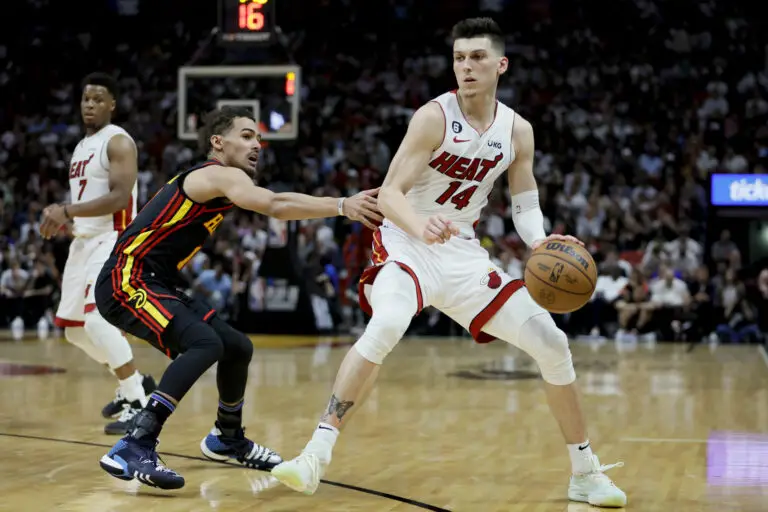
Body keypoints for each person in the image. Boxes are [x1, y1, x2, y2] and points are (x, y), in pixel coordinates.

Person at [272, 18, 627, 508]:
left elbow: (525, 204)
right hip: (405, 240)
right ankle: (315, 454)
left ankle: (585, 473)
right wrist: (421, 227)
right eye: (459, 58)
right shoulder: (433, 117)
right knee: (388, 322)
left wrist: (540, 242)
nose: (466, 66)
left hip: (461, 252)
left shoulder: (517, 130)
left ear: (501, 65)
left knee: (552, 343)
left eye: (477, 57)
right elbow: (390, 194)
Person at [94, 106, 383, 490]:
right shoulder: (217, 174)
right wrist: (342, 205)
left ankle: (226, 438)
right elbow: (275, 205)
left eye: (258, 138)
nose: (257, 145)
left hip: (155, 280)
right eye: (247, 136)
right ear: (218, 142)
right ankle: (135, 443)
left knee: (236, 347)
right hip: (126, 278)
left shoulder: (221, 181)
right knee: (204, 343)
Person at [39, 73, 156, 435]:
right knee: (74, 331)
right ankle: (134, 382)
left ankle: (137, 402)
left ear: (112, 105)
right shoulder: (81, 146)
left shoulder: (118, 141)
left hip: (114, 238)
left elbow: (120, 198)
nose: (90, 104)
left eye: (98, 99)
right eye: (86, 98)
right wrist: (72, 222)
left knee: (97, 321)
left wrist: (66, 210)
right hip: (85, 240)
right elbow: (89, 198)